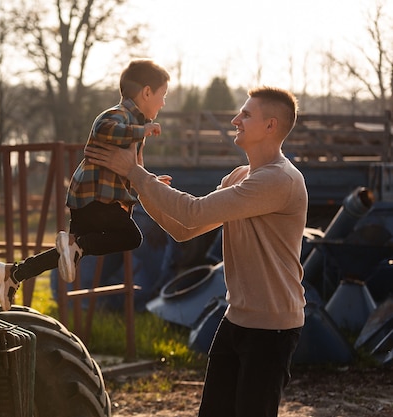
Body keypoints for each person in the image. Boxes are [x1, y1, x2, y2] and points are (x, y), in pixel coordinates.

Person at [85, 86, 307, 417]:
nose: (236, 120)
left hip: (272, 328)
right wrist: (142, 186)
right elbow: (185, 229)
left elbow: (193, 211)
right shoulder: (240, 176)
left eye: (246, 115)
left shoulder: (279, 180)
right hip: (237, 319)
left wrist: (136, 173)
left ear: (271, 126)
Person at [0, 58, 171, 311]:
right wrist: (141, 131)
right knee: (131, 237)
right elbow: (104, 129)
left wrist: (151, 181)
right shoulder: (118, 116)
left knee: (68, 253)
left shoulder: (136, 128)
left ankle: (14, 274)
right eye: (162, 95)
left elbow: (136, 169)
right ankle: (75, 247)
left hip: (89, 200)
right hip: (93, 198)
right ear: (146, 92)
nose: (164, 102)